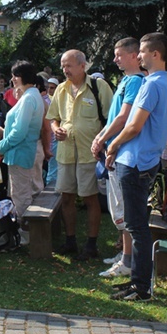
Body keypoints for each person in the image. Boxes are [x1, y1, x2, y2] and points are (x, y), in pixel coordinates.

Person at [105, 32, 167, 301]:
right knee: (136, 225)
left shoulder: (152, 84)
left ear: (155, 54)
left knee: (137, 227)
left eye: (143, 52)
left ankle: (141, 287)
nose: (140, 56)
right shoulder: (160, 82)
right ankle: (137, 282)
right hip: (143, 160)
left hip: (135, 161)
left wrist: (112, 144)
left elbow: (134, 125)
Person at [47, 50, 113, 260]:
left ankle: (91, 245)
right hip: (66, 153)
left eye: (69, 65)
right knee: (66, 197)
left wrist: (103, 143)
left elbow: (111, 118)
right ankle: (70, 241)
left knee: (90, 198)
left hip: (89, 153)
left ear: (82, 66)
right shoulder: (60, 89)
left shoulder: (98, 86)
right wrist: (55, 128)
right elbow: (53, 118)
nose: (65, 70)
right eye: (63, 66)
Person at [90, 37, 145, 278]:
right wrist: (101, 136)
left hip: (123, 152)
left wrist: (103, 139)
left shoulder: (135, 81)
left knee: (124, 208)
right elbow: (115, 117)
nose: (115, 59)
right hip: (115, 150)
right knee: (118, 207)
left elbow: (124, 117)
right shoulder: (126, 80)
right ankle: (125, 253)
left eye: (119, 55)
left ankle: (128, 261)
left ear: (134, 56)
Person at [0, 61, 45, 246]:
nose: (12, 79)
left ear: (23, 76)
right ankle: (26, 235)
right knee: (24, 193)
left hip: (21, 153)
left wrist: (1, 147)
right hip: (23, 152)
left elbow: (19, 131)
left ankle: (25, 237)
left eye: (15, 76)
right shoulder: (31, 95)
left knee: (21, 196)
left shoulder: (29, 98)